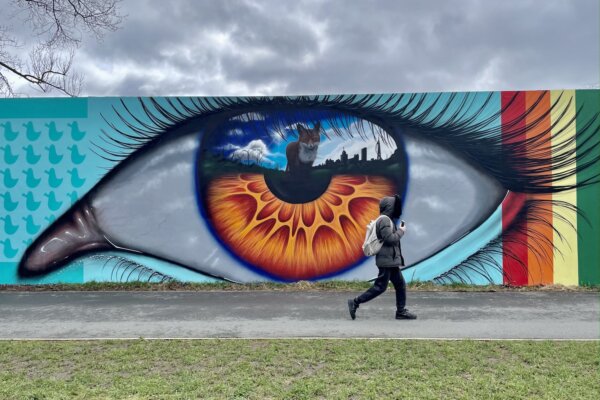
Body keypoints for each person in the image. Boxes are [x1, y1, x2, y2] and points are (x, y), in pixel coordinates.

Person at [348, 194, 417, 320]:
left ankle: (401, 311)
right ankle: (355, 302)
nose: (397, 208)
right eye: (394, 206)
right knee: (380, 287)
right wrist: (401, 231)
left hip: (390, 261)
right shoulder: (384, 220)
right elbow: (390, 239)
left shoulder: (386, 220)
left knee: (400, 284)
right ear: (389, 207)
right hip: (386, 261)